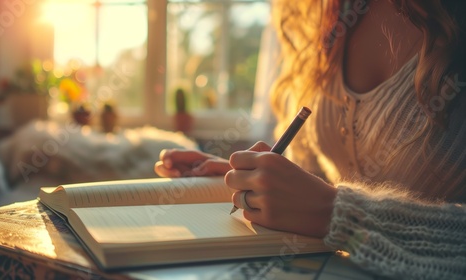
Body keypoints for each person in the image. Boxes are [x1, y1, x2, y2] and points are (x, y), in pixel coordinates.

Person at [155, 0, 466, 279]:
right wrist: (259, 182)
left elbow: (327, 204)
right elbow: (316, 174)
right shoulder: (320, 11)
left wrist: (337, 214)